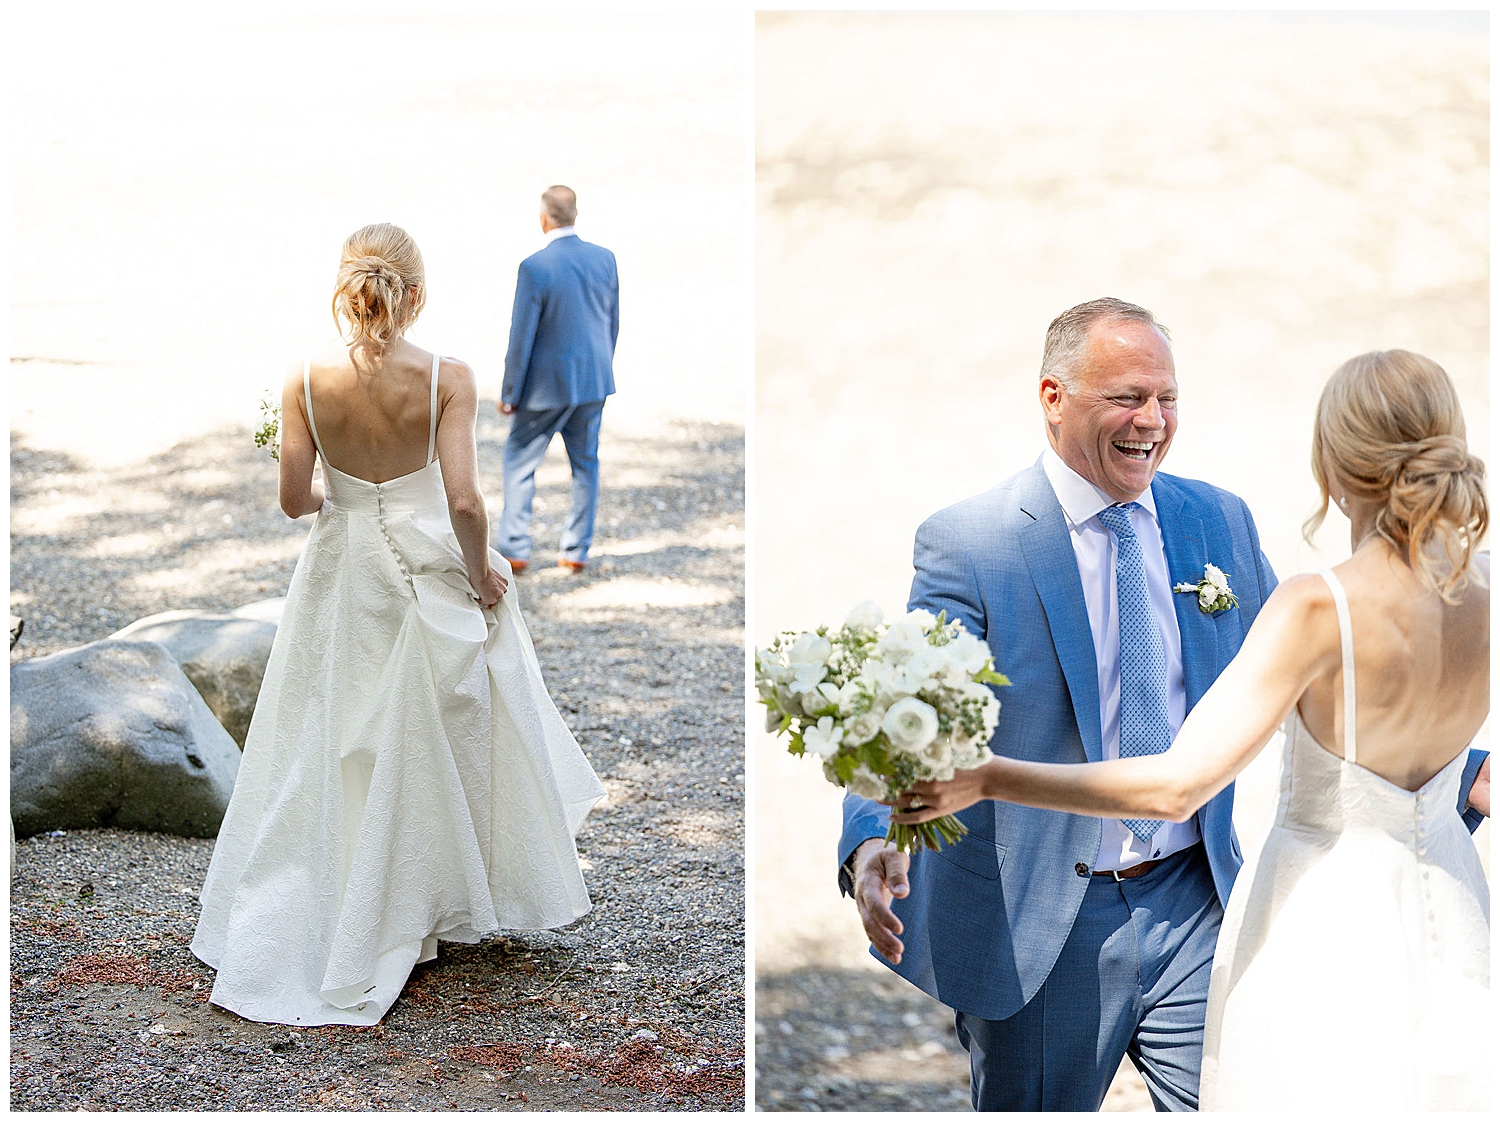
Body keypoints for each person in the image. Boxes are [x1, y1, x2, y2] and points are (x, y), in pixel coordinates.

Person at [838, 299, 1489, 1111]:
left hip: (1198, 903)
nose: (1153, 420)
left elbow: (1311, 675)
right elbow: (905, 707)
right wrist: (875, 841)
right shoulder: (972, 544)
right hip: (1045, 923)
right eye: (1127, 398)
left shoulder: (1214, 520)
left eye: (1168, 398)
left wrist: (1444, 768)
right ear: (1052, 396)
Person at [192, 223, 605, 1026]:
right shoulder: (448, 376)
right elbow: (463, 501)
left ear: (348, 286)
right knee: (440, 731)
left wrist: (340, 507)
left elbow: (291, 499)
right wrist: (482, 569)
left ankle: (328, 899)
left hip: (342, 570)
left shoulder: (303, 377)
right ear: (415, 294)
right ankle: (421, 901)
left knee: (326, 735)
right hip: (422, 572)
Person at [497, 185, 619, 574]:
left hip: (544, 389)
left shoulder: (534, 267)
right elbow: (611, 322)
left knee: (520, 463)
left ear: (543, 217)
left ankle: (515, 549)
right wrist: (599, 370)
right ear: (576, 214)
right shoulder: (605, 259)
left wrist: (510, 391)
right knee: (585, 465)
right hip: (593, 381)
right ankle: (575, 551)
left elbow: (522, 335)